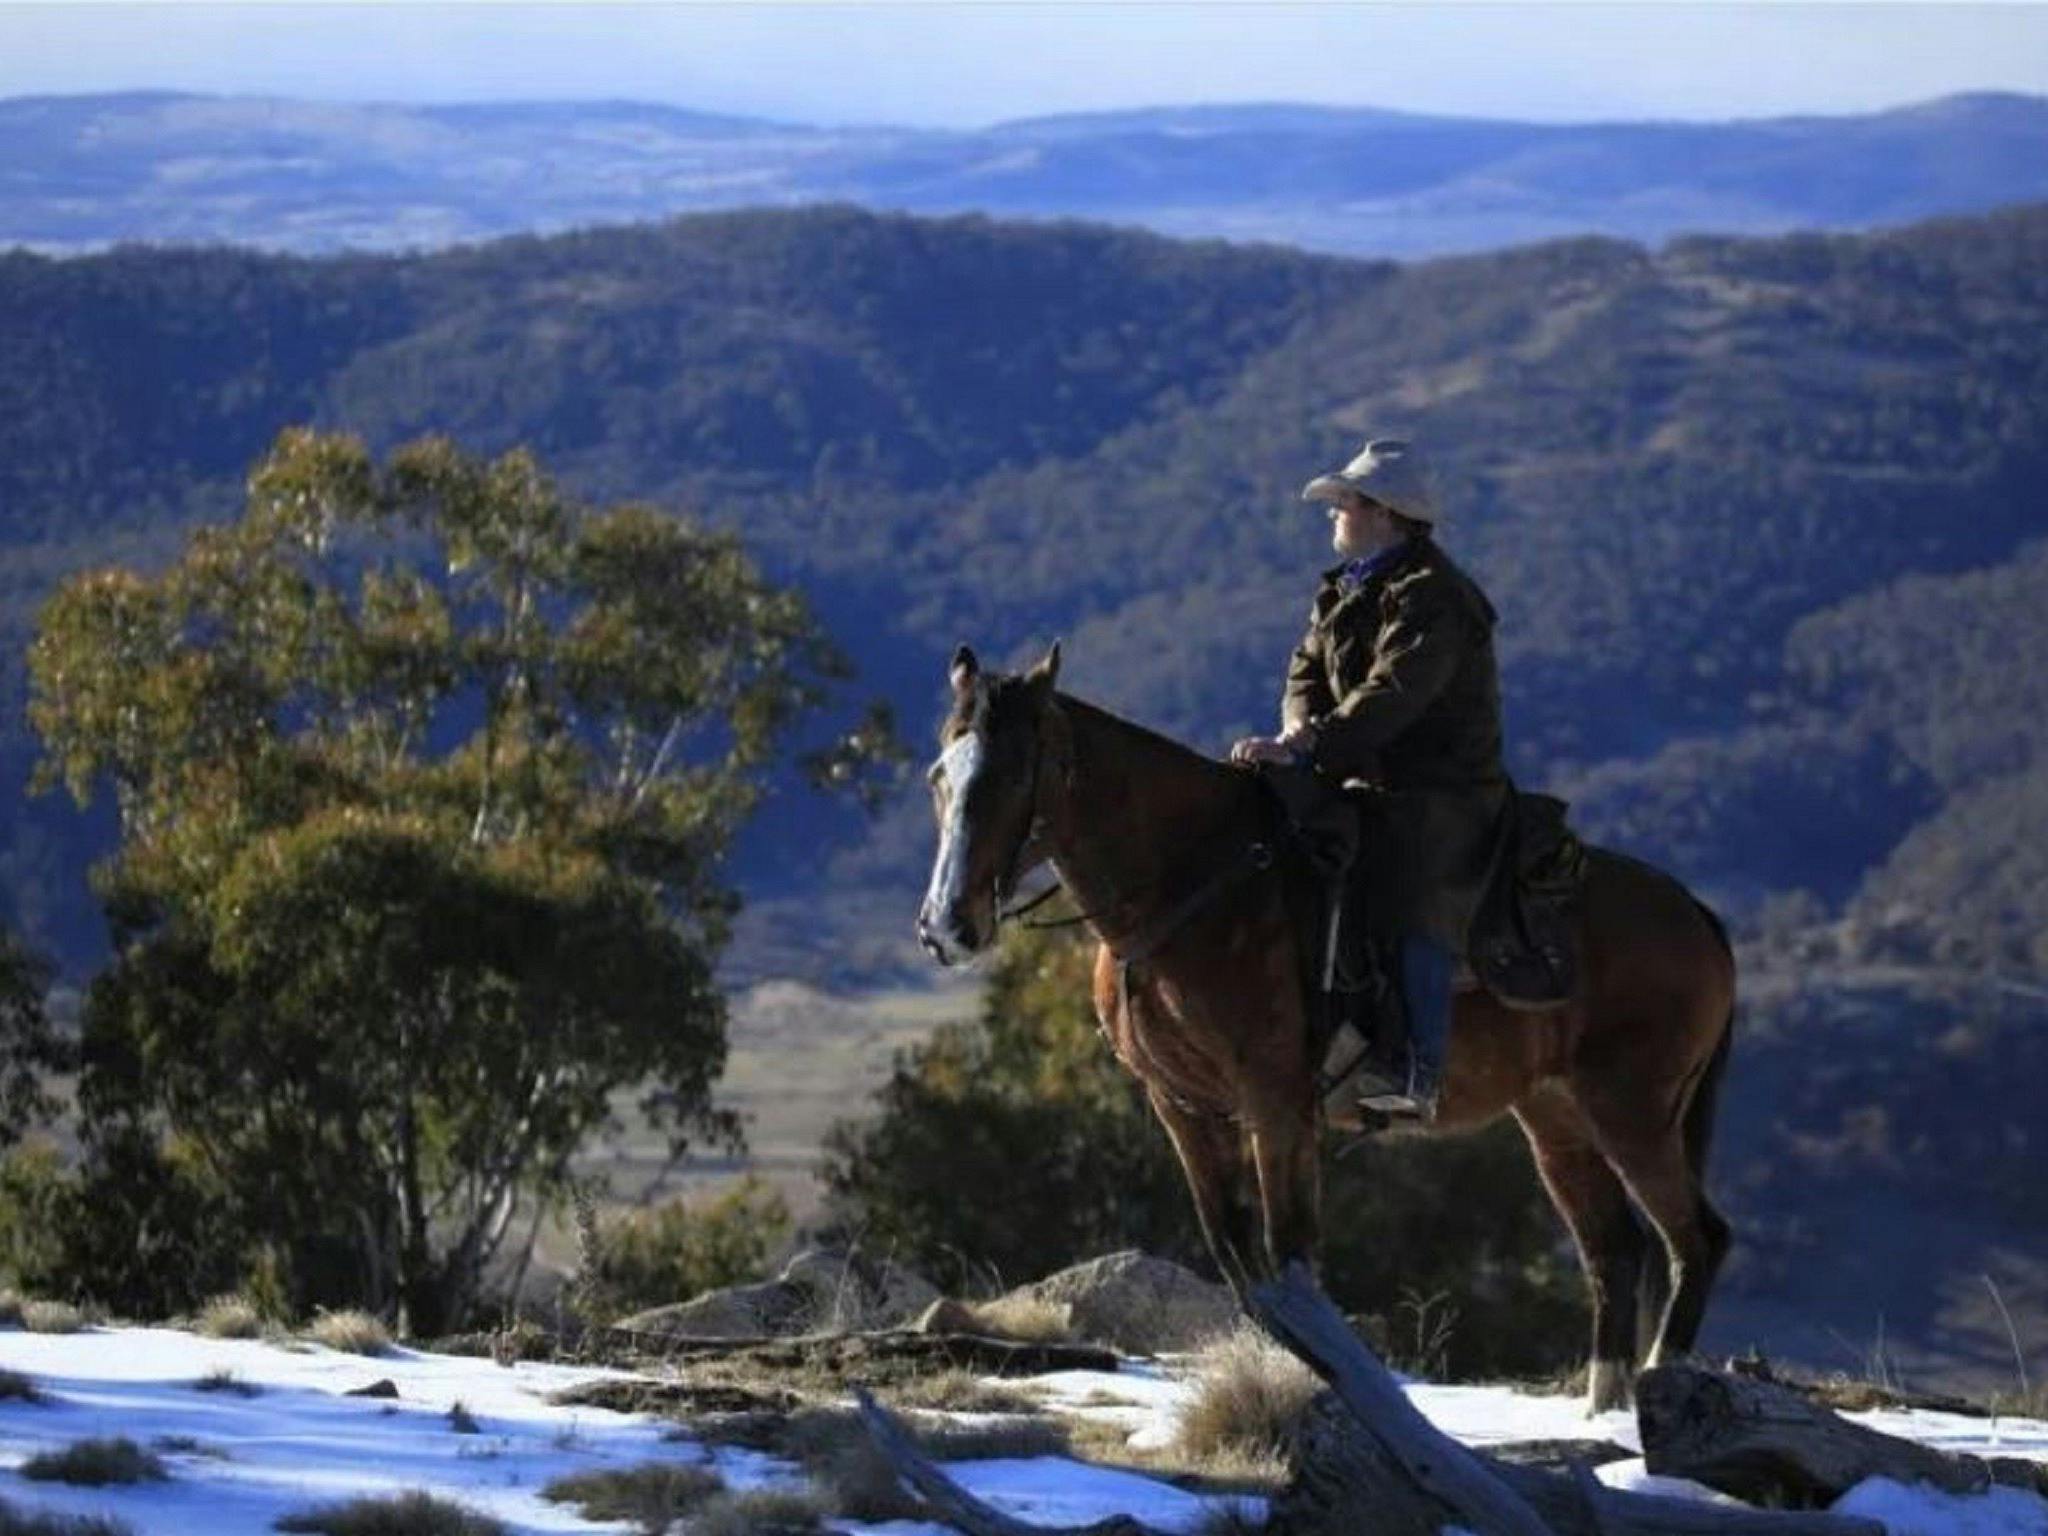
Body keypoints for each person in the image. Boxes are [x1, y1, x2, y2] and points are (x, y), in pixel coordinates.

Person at [1230, 438, 1509, 1121]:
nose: (1334, 516)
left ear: (1384, 514)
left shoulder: (1436, 598)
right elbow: (1303, 673)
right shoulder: (1342, 590)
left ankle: (1418, 1067)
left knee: (1410, 890)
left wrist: (1311, 744)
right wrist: (1300, 732)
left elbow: (1394, 694)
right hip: (1354, 771)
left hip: (1439, 790)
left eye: (1345, 504)